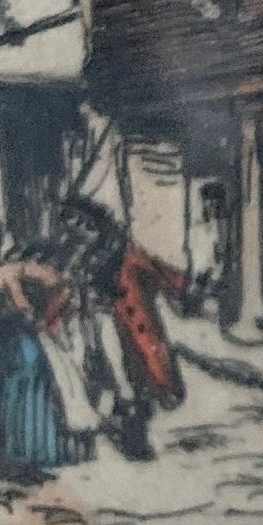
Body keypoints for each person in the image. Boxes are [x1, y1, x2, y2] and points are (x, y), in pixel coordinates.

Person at [0, 222, 97, 477]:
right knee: (14, 392)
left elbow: (52, 292)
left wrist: (40, 316)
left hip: (17, 340)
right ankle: (16, 452)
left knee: (18, 392)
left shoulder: (4, 271)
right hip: (9, 340)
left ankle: (19, 453)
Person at [56, 196, 187, 461]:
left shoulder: (124, 253)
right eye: (72, 225)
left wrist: (182, 287)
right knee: (99, 378)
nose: (79, 231)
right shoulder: (79, 256)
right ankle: (120, 428)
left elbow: (161, 274)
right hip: (92, 325)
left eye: (83, 224)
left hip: (125, 325)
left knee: (127, 380)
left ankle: (136, 438)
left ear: (96, 224)